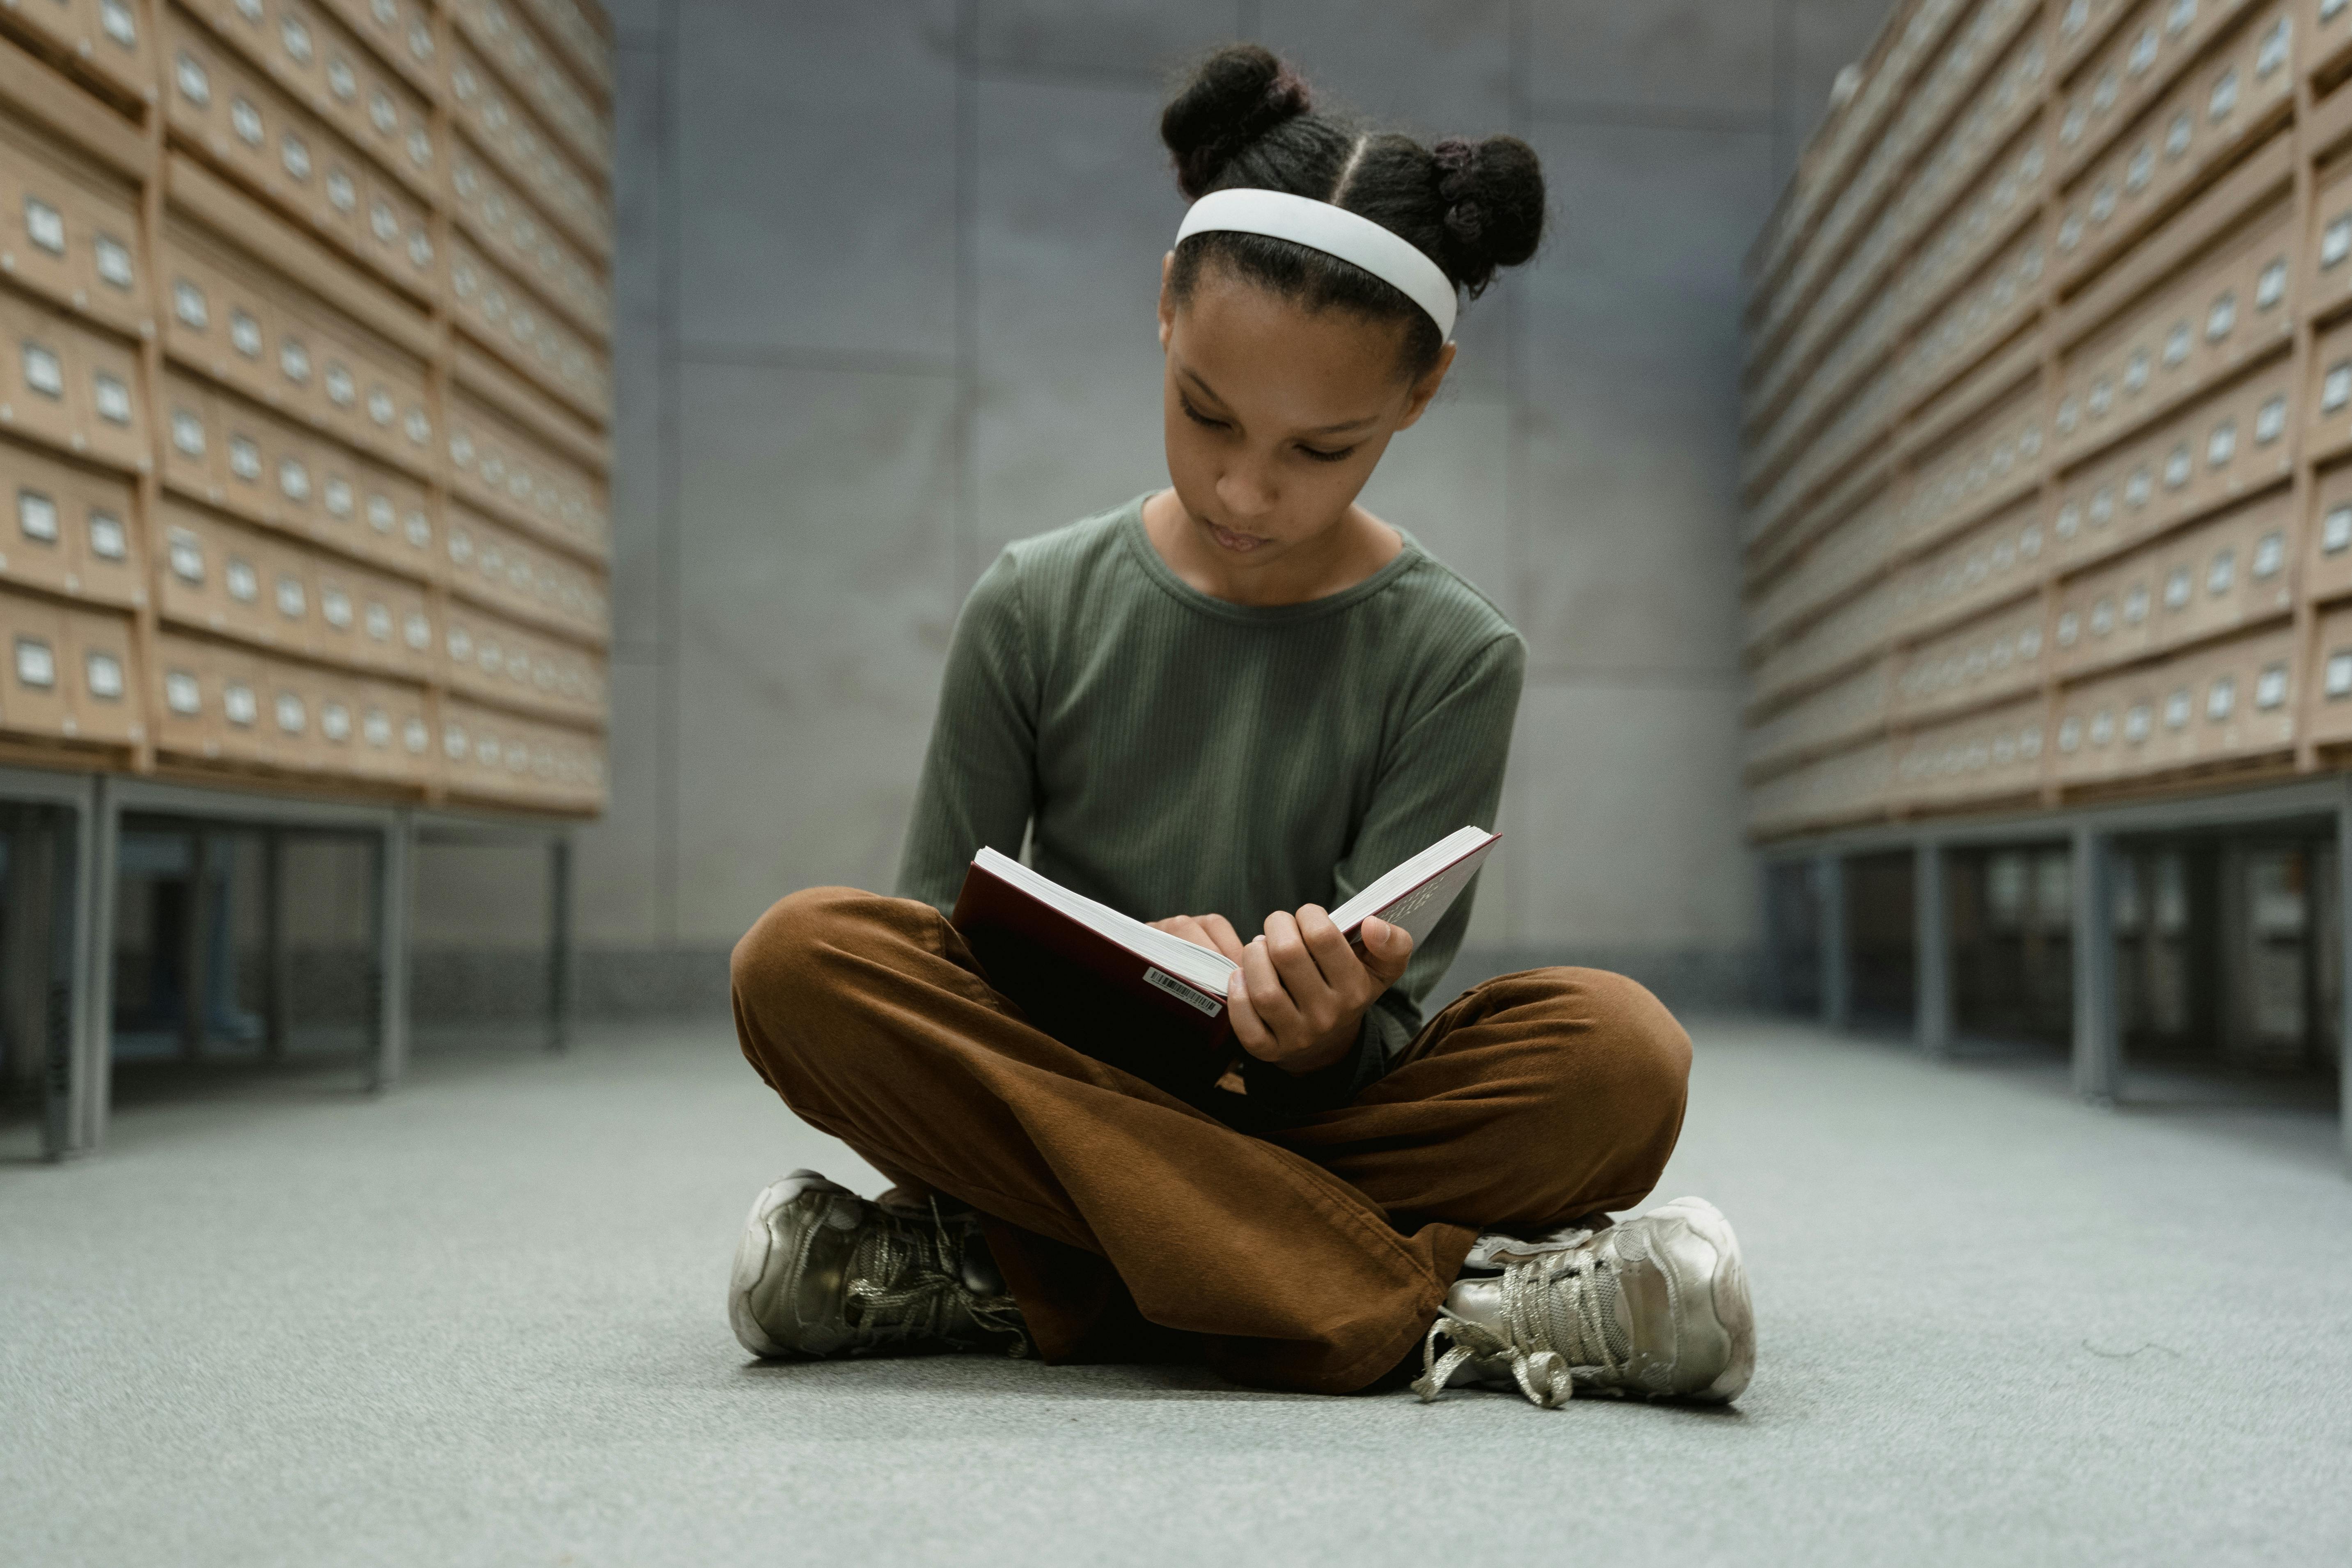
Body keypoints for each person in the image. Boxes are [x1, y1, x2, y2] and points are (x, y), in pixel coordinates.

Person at [725, 44, 1753, 1409]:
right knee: (800, 960)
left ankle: (1024, 1270)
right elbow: (931, 946)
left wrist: (1318, 1030)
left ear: (1420, 391)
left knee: (1621, 1055)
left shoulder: (1455, 652)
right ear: (1164, 307)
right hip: (1057, 1071)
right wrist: (1115, 968)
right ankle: (1443, 1301)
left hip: (1311, 1114)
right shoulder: (1033, 602)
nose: (1244, 488)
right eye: (1205, 413)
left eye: (1319, 449)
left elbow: (1388, 1029)